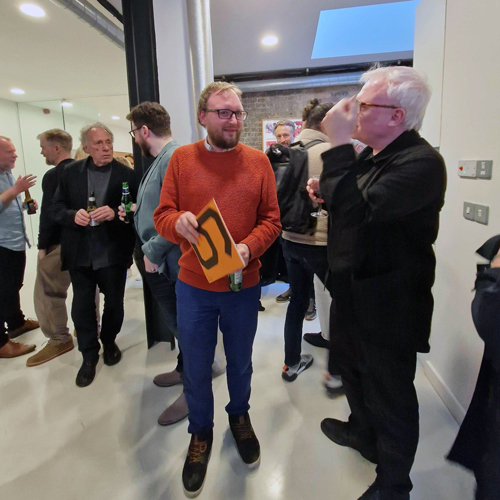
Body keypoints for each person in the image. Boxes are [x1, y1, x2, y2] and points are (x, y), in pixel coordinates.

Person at [307, 66, 447, 500]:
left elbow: (359, 213)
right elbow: (354, 208)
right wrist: (328, 191)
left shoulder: (422, 164)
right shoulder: (372, 157)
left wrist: (336, 144)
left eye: (365, 105)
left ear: (396, 117)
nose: (354, 110)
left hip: (390, 305)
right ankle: (363, 435)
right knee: (350, 372)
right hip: (352, 293)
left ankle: (393, 485)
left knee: (391, 397)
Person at [154, 82, 280, 496]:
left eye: (238, 113)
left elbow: (272, 221)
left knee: (241, 363)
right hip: (194, 286)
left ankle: (239, 417)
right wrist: (179, 224)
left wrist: (248, 246)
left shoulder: (259, 162)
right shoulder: (182, 160)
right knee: (196, 366)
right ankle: (200, 433)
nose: (233, 121)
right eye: (224, 112)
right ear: (202, 116)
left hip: (243, 286)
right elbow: (162, 215)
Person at [52, 123, 137, 387]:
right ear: (86, 147)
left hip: (112, 251)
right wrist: (71, 215)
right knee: (83, 306)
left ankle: (109, 341)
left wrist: (115, 212)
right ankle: (88, 355)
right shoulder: (70, 173)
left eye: (108, 141)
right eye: (98, 143)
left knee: (114, 304)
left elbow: (135, 207)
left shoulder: (126, 174)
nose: (105, 147)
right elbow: (55, 208)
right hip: (80, 252)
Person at [124, 101, 187, 425]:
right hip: (161, 259)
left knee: (184, 326)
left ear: (144, 130)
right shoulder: (166, 159)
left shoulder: (174, 157)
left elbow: (184, 218)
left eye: (135, 132)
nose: (135, 138)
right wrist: (137, 209)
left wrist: (153, 252)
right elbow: (164, 207)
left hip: (167, 261)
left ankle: (194, 389)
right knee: (178, 323)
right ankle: (185, 370)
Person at [280, 99, 335, 383]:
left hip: (289, 238)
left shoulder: (284, 150)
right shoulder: (331, 152)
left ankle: (291, 363)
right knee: (341, 303)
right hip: (321, 242)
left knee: (297, 301)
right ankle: (335, 371)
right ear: (325, 123)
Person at [26, 129, 75, 366]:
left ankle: (59, 338)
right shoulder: (84, 170)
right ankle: (91, 328)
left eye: (44, 146)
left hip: (59, 243)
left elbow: (48, 213)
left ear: (57, 148)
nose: (42, 151)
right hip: (82, 243)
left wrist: (43, 245)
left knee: (49, 292)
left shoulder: (53, 175)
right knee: (87, 289)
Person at [0, 136, 38, 358]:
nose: (15, 155)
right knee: (2, 291)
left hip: (14, 242)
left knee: (12, 286)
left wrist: (24, 204)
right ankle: (2, 343)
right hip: (2, 244)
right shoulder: (11, 182)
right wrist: (16, 190)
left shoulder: (7, 174)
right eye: (9, 151)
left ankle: (16, 322)